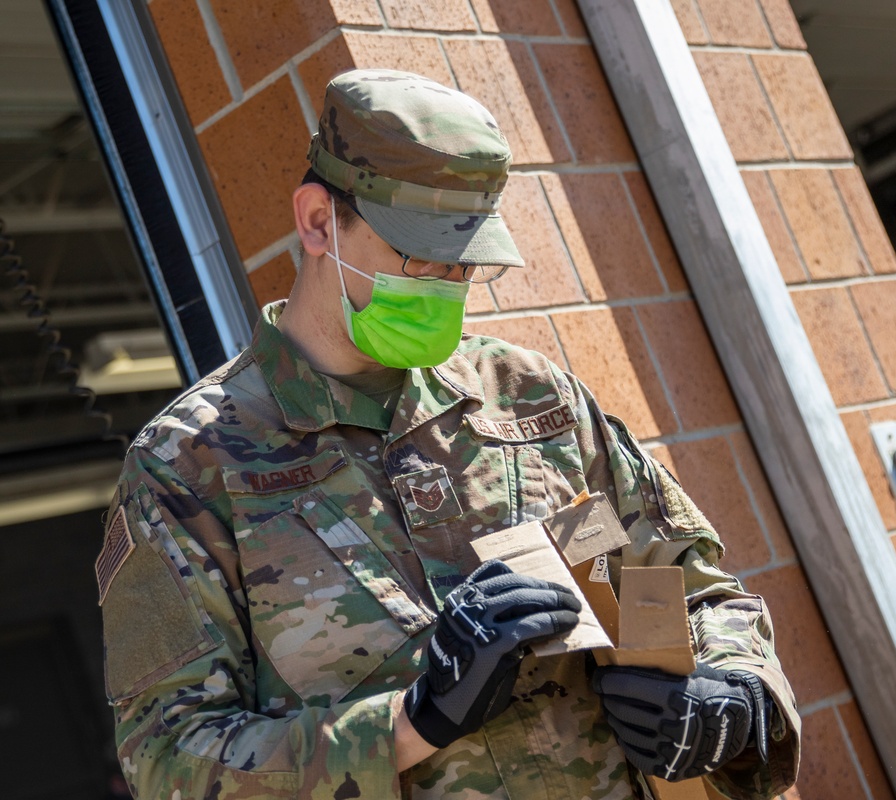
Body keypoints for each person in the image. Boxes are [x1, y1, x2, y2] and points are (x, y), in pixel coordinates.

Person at [96, 68, 800, 799]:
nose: (444, 280)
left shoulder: (533, 399)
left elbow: (684, 585)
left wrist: (731, 696)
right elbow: (169, 758)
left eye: (465, 260)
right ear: (317, 222)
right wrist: (413, 720)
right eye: (418, 251)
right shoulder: (187, 467)